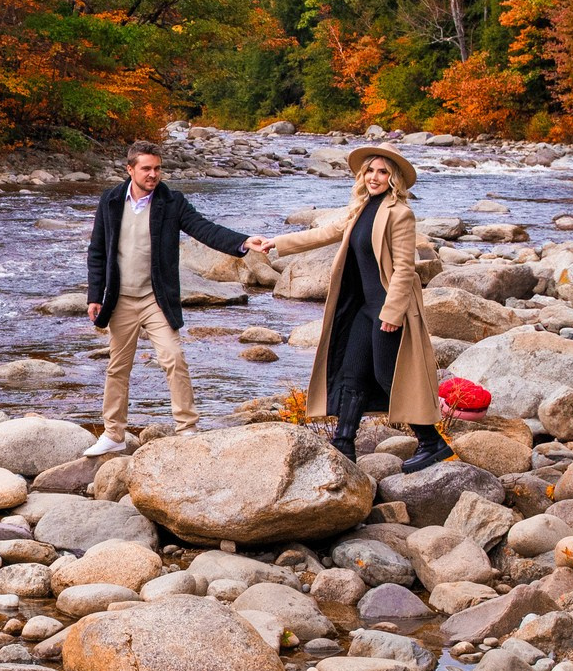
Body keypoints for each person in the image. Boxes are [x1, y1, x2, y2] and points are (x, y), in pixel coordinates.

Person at [260, 144, 450, 471]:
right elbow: (327, 232)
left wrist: (392, 313)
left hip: (389, 308)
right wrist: (277, 242)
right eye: (370, 171)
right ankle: (343, 442)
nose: (375, 177)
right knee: (352, 371)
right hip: (364, 307)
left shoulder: (399, 214)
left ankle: (432, 442)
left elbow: (405, 269)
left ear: (393, 179)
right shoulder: (361, 207)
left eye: (382, 172)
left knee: (389, 375)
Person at [81, 140, 270, 457]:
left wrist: (244, 242)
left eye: (157, 168)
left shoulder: (172, 202)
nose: (153, 174)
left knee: (173, 358)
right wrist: (94, 295)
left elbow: (204, 229)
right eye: (146, 169)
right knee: (118, 367)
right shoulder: (111, 200)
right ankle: (113, 434)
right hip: (121, 299)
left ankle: (187, 429)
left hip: (156, 299)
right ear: (130, 170)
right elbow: (97, 251)